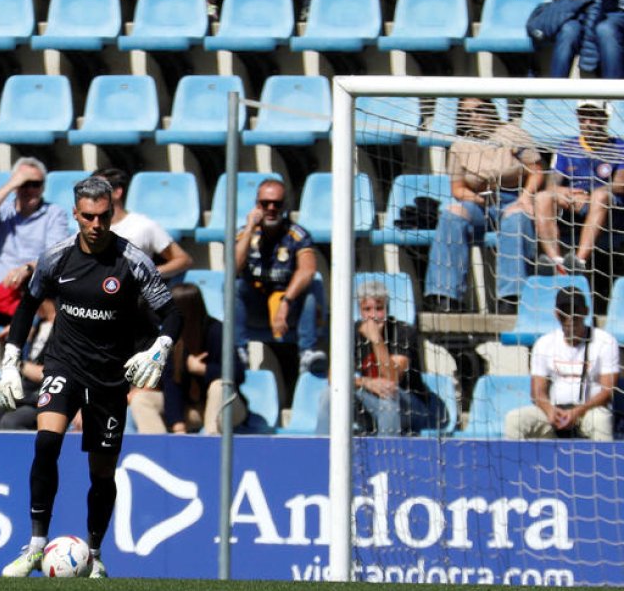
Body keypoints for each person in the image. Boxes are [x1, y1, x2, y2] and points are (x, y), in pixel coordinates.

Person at [0, 177, 182, 579]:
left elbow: (172, 313)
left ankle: (94, 554)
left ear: (111, 214)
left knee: (102, 473)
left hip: (109, 379)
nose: (95, 225)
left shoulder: (133, 261)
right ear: (76, 214)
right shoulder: (57, 257)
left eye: (102, 217)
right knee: (46, 444)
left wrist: (160, 347)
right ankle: (34, 547)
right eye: (87, 217)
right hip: (63, 366)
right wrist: (12, 359)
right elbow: (27, 305)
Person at [423, 98, 545, 314]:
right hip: (479, 202)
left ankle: (511, 297)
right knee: (451, 215)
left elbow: (537, 170)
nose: (475, 117)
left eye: (479, 110)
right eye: (467, 114)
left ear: (491, 109)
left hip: (514, 197)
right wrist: (475, 198)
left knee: (515, 219)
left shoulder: (512, 134)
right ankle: (445, 296)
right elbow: (458, 188)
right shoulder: (460, 146)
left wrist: (525, 198)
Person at [0, 157, 71, 363]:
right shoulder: (4, 211)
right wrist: (11, 184)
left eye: (35, 184)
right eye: (24, 184)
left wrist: (29, 268)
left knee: (26, 326)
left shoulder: (54, 214)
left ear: (42, 187)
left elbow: (55, 253)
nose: (29, 189)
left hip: (30, 296)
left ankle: (21, 385)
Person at [315, 280, 447, 436]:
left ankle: (386, 457)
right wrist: (366, 382)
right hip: (371, 399)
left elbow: (392, 378)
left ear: (387, 309)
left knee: (388, 399)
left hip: (411, 406)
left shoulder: (403, 332)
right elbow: (333, 377)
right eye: (367, 309)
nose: (373, 315)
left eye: (379, 309)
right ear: (360, 311)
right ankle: (322, 454)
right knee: (330, 394)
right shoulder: (352, 332)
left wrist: (376, 339)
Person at [234, 179, 326, 375]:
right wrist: (250, 228)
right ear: (257, 205)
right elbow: (233, 267)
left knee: (311, 287)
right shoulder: (245, 233)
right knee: (234, 286)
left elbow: (307, 270)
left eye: (277, 203)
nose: (271, 208)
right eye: (265, 203)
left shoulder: (297, 235)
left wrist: (285, 303)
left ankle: (307, 352)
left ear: (285, 206)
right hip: (256, 307)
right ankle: (239, 350)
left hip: (288, 308)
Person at [130, 283, 247, 435]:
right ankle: (158, 451)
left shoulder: (217, 331)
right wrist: (178, 427)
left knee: (219, 385)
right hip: (192, 410)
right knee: (142, 400)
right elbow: (171, 384)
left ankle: (211, 441)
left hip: (226, 409)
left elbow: (238, 373)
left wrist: (202, 369)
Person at [505, 286, 617, 441]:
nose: (570, 318)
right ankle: (515, 466)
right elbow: (537, 392)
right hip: (555, 411)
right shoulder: (544, 343)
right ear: (556, 314)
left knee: (601, 420)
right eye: (564, 313)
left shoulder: (605, 341)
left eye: (575, 312)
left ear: (585, 311)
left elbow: (607, 392)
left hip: (589, 411)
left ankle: (603, 465)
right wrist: (549, 410)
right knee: (514, 419)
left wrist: (577, 412)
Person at [535, 100, 624, 274]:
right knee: (542, 197)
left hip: (611, 209)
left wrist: (590, 194)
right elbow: (551, 184)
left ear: (605, 119)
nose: (587, 123)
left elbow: (620, 184)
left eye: (593, 118)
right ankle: (557, 262)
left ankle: (579, 261)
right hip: (575, 204)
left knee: (600, 196)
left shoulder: (619, 146)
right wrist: (561, 191)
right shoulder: (567, 147)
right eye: (583, 118)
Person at [93, 167, 193, 278]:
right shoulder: (85, 226)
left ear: (117, 193)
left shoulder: (143, 225)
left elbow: (183, 259)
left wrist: (148, 274)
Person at [0, 300, 56, 431]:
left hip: (42, 397)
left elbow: (46, 374)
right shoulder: (39, 324)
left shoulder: (63, 330)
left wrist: (18, 364)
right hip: (22, 392)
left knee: (11, 422)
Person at [545, 0, 624, 79]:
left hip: (615, 11)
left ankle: (614, 92)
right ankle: (555, 92)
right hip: (578, 9)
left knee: (605, 30)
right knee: (568, 31)